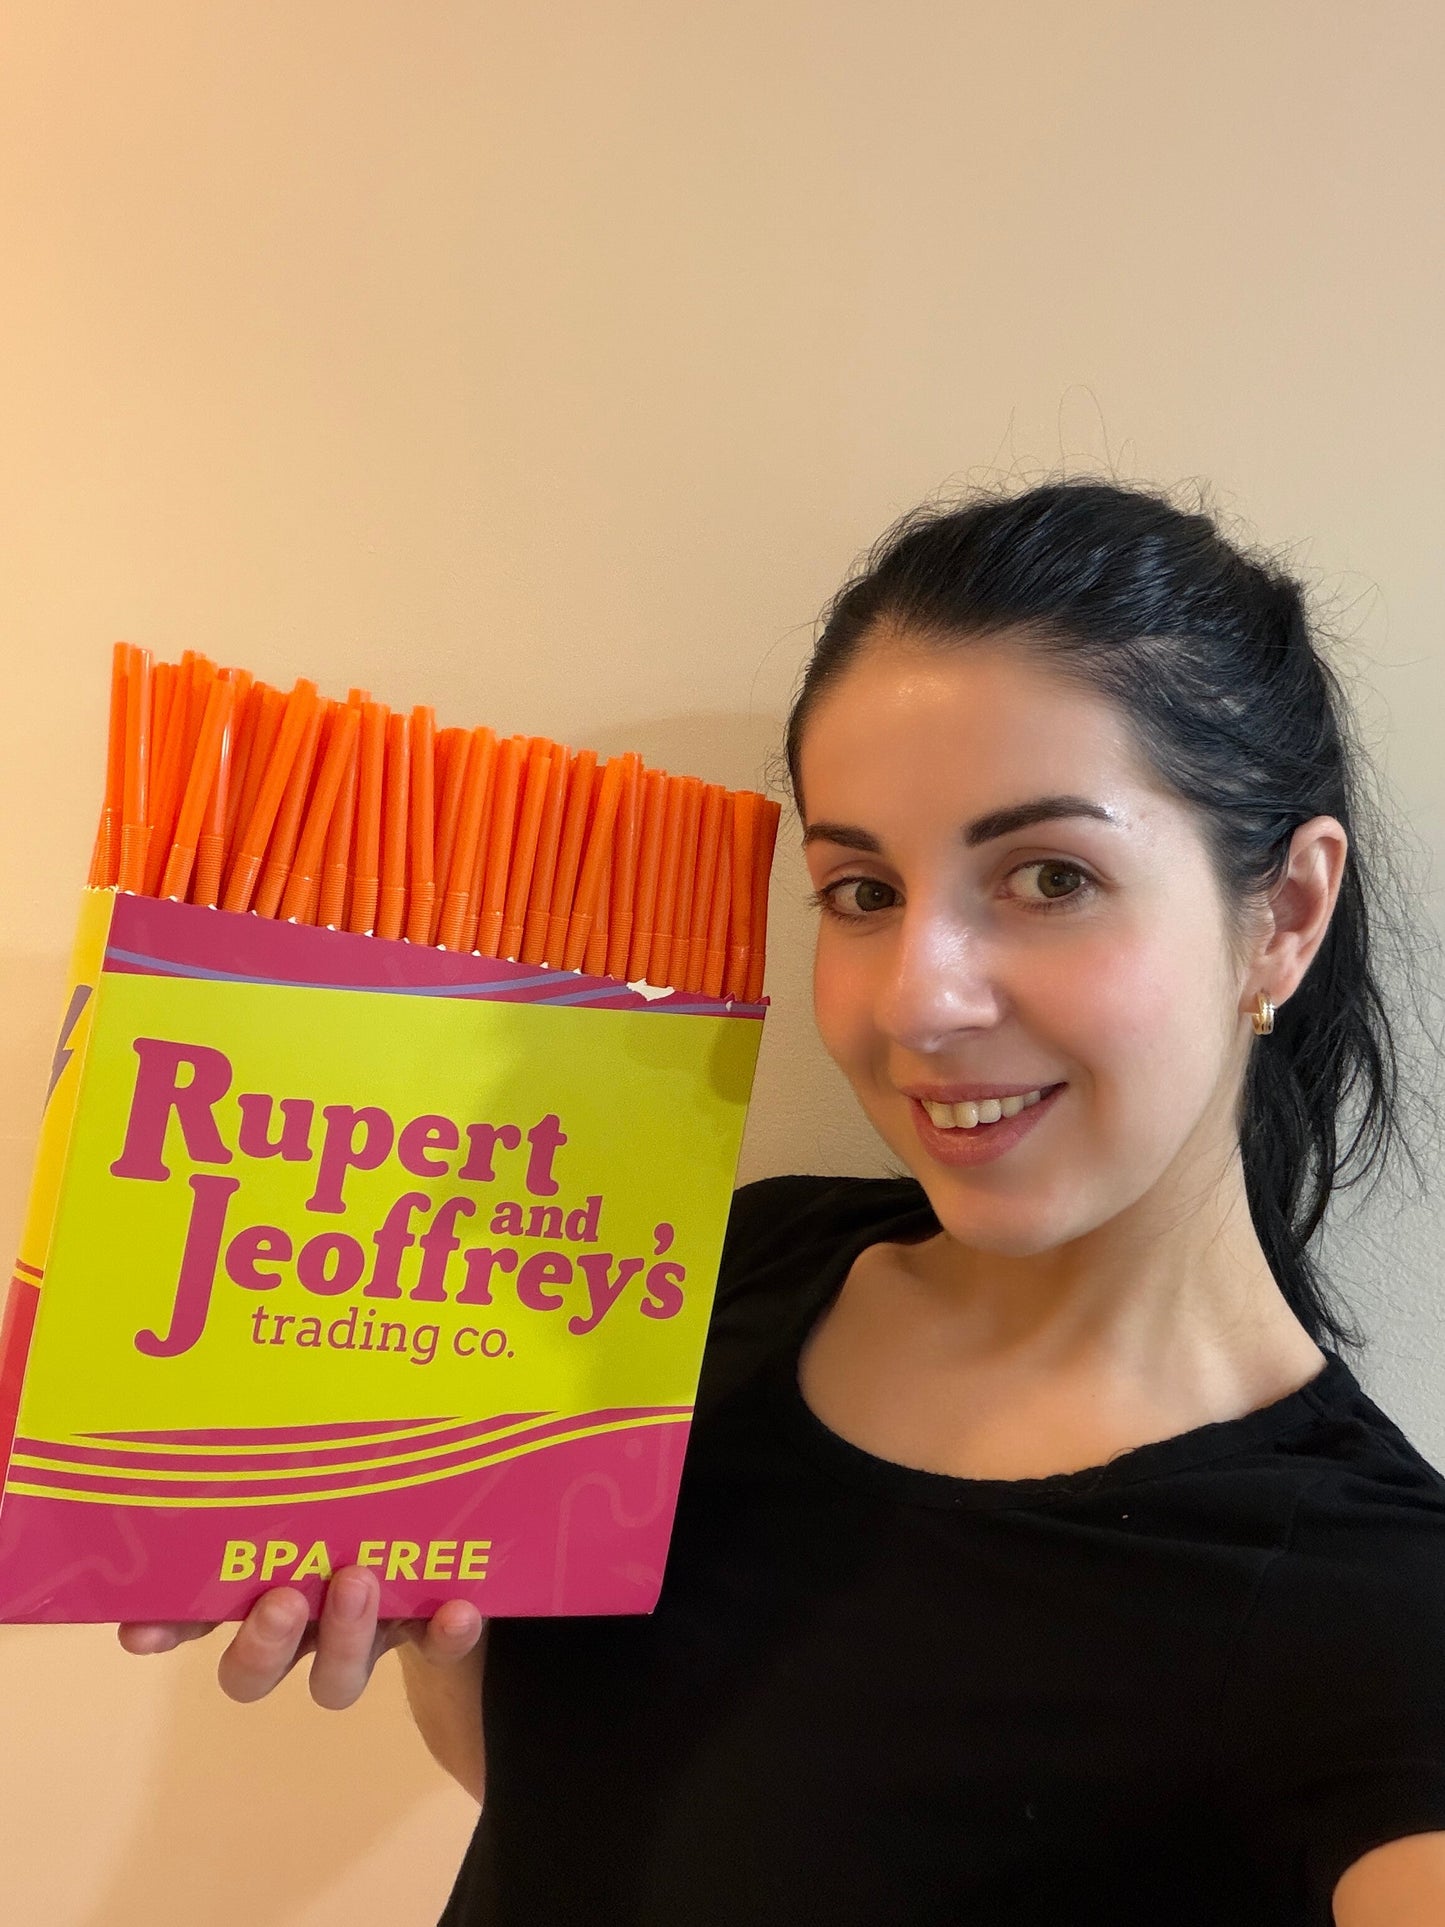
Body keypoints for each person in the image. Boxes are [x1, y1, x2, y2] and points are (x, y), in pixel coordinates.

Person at [119, 478, 1445, 1925]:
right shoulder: (716, 1270)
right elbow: (560, 1805)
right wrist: (420, 1599)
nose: (916, 1002)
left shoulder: (1376, 1617)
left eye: (1049, 876)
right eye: (862, 891)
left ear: (1286, 914)